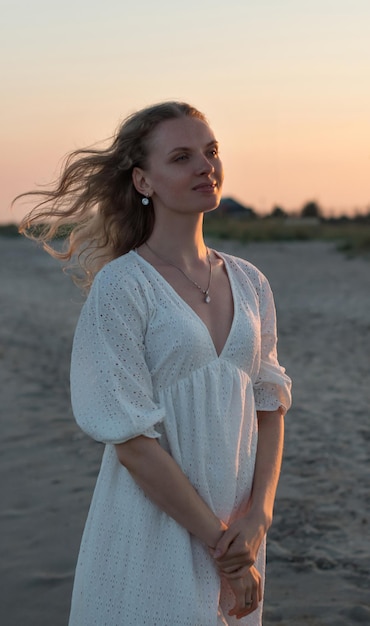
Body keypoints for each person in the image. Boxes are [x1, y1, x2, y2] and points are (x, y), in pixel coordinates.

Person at [17, 101, 292, 625]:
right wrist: (221, 547)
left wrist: (259, 517)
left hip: (239, 534)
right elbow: (133, 445)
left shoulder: (251, 282)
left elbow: (269, 401)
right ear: (144, 180)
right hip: (156, 530)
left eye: (210, 151)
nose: (205, 166)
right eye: (182, 157)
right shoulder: (122, 287)